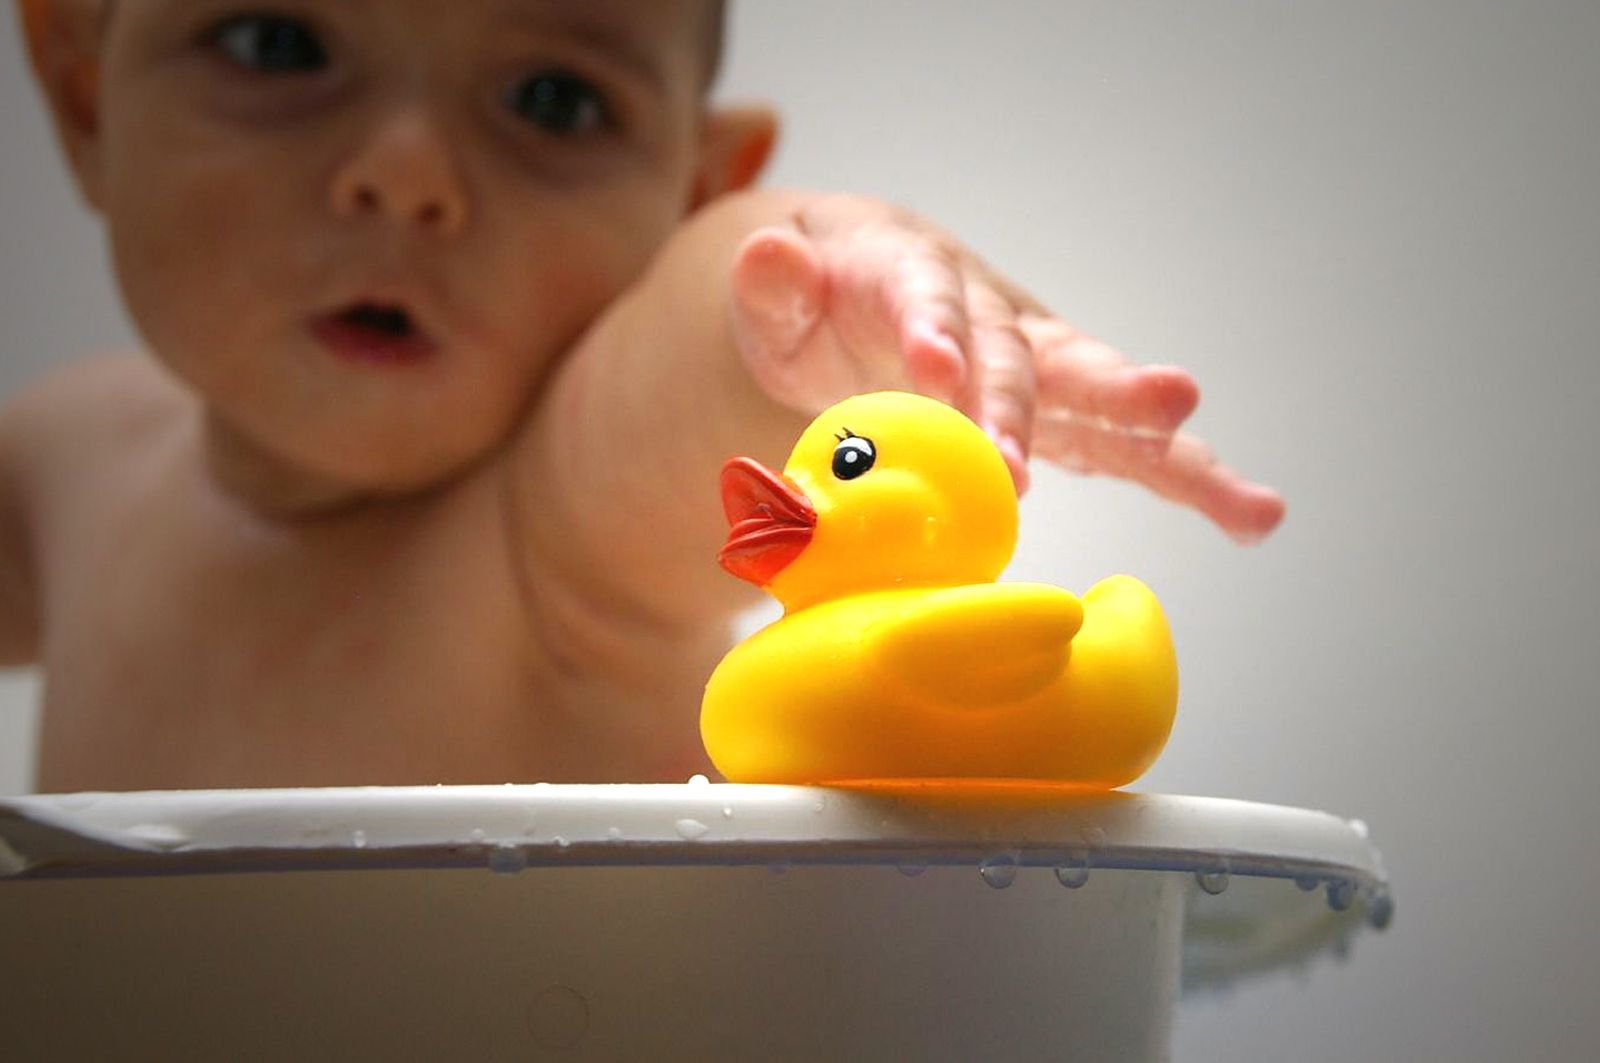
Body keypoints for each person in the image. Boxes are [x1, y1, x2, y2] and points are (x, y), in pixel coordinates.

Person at [0, 0, 1284, 791]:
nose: (404, 170)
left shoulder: (556, 528)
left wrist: (805, 306)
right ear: (84, 96)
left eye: (551, 101)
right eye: (278, 42)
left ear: (694, 188)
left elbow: (688, 367)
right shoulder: (64, 459)